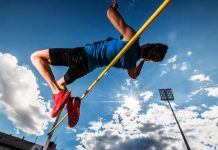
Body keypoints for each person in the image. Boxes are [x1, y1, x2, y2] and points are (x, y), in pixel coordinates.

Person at [31, 0, 168, 128]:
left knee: (36, 57)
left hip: (83, 54)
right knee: (61, 84)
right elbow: (134, 75)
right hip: (87, 67)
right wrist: (143, 60)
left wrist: (113, 8)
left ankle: (57, 94)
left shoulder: (132, 38)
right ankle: (72, 104)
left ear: (149, 44)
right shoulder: (132, 64)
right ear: (149, 59)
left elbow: (110, 14)